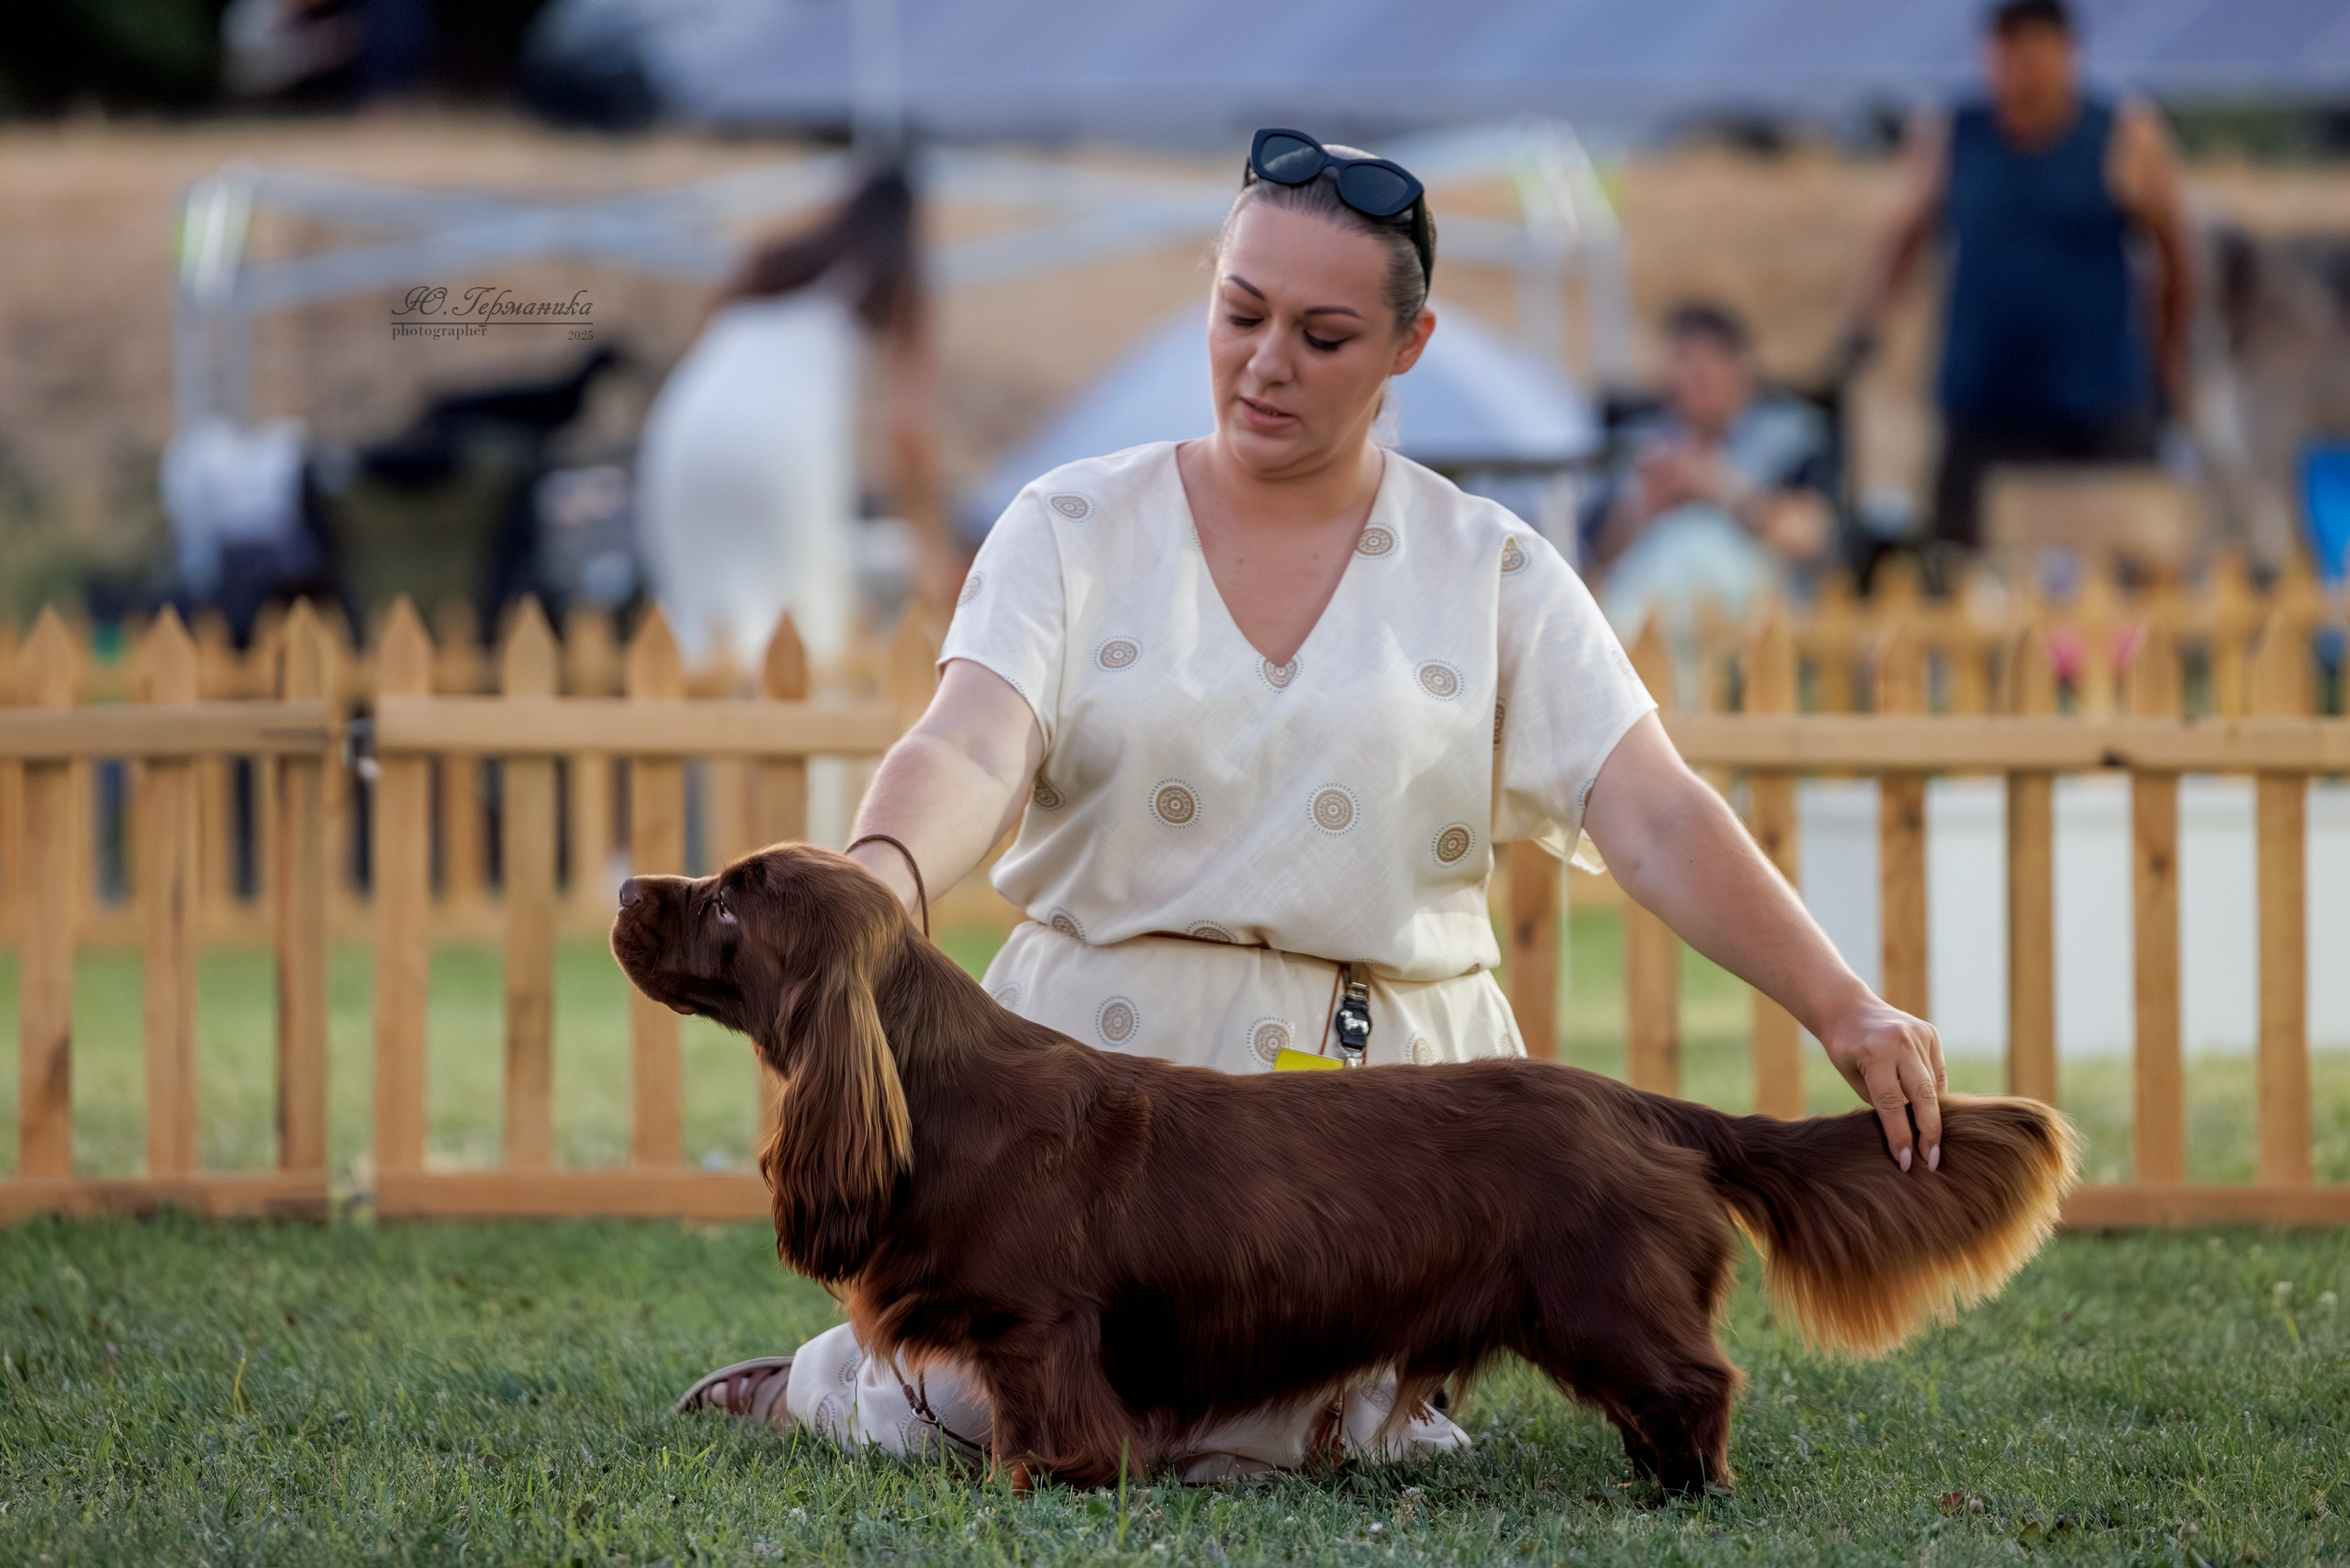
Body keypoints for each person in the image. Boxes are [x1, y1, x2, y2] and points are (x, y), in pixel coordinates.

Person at [675, 129, 1948, 1480]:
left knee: (1259, 1418)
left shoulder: (1496, 566)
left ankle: (1284, 1402)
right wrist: (878, 879)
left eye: (1324, 335)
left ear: (1409, 346)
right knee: (1007, 1390)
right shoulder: (1069, 524)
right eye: (1241, 315)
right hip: (1085, 1121)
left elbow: (1654, 813)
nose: (1266, 362)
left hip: (1382, 1155)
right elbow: (971, 746)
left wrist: (1842, 1005)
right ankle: (848, 1382)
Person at [1848, 0, 2192, 554]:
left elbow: (2173, 253)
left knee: (2122, 562)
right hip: (1984, 401)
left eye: (2036, 54)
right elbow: (1904, 236)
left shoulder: (2122, 134)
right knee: (1961, 560)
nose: (2022, 72)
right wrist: (1867, 327)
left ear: (2066, 55)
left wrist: (2167, 358)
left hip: (2097, 401)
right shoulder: (1954, 134)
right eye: (2009, 55)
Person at [635, 165, 934, 670]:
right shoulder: (892, 279)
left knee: (697, 614)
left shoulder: (772, 264)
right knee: (804, 619)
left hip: (684, 429)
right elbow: (909, 432)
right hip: (782, 446)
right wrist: (928, 537)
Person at [1583, 300, 1836, 640]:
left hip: (1755, 612)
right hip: (1652, 600)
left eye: (1703, 374)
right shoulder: (1646, 441)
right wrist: (1646, 506)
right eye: (1681, 371)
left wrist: (1719, 487)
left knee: (1698, 542)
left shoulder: (1792, 434)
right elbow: (1597, 559)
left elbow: (1810, 537)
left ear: (1740, 369)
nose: (1688, 386)